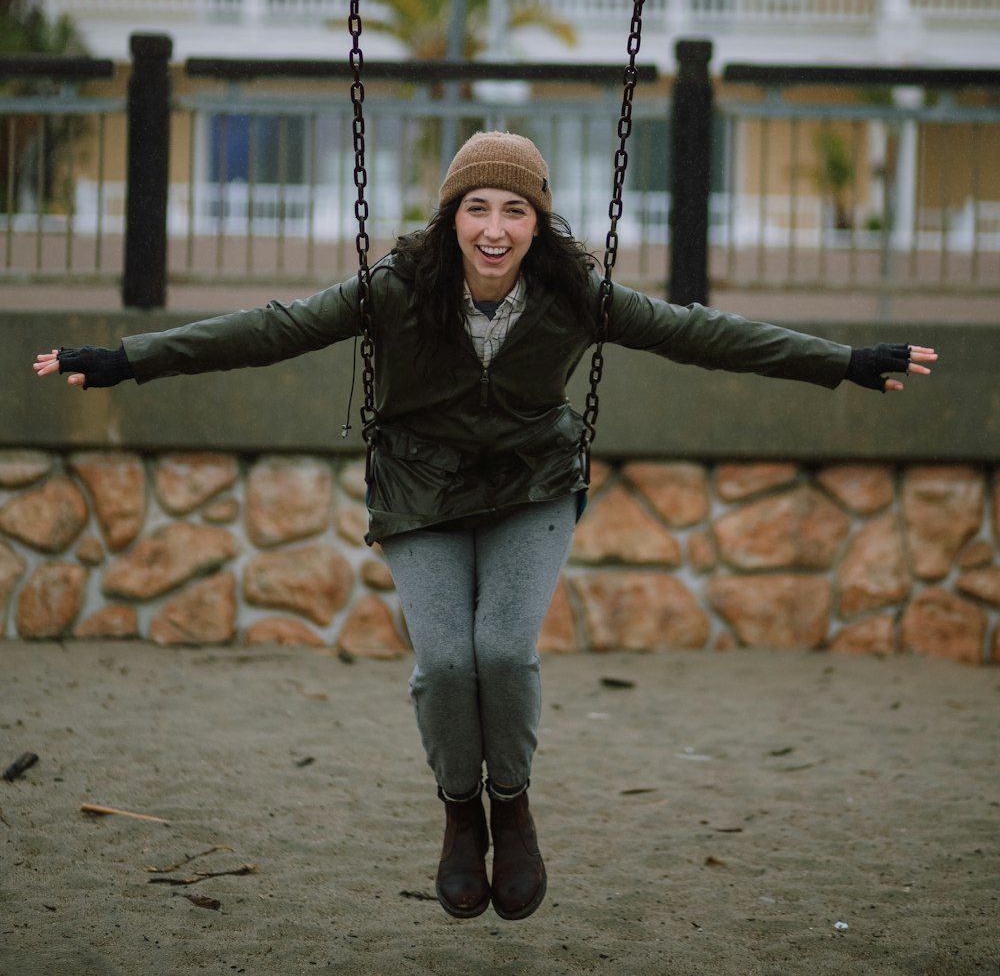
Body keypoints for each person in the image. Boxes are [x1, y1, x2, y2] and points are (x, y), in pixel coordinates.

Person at [34, 131, 937, 922]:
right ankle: (460, 810)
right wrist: (123, 362)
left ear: (538, 222)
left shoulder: (575, 293)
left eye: (514, 209)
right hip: (420, 488)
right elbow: (265, 330)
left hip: (531, 484)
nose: (495, 228)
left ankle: (514, 803)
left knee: (503, 652)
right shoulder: (395, 288)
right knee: (447, 663)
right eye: (477, 208)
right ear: (450, 217)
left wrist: (846, 362)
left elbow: (705, 334)